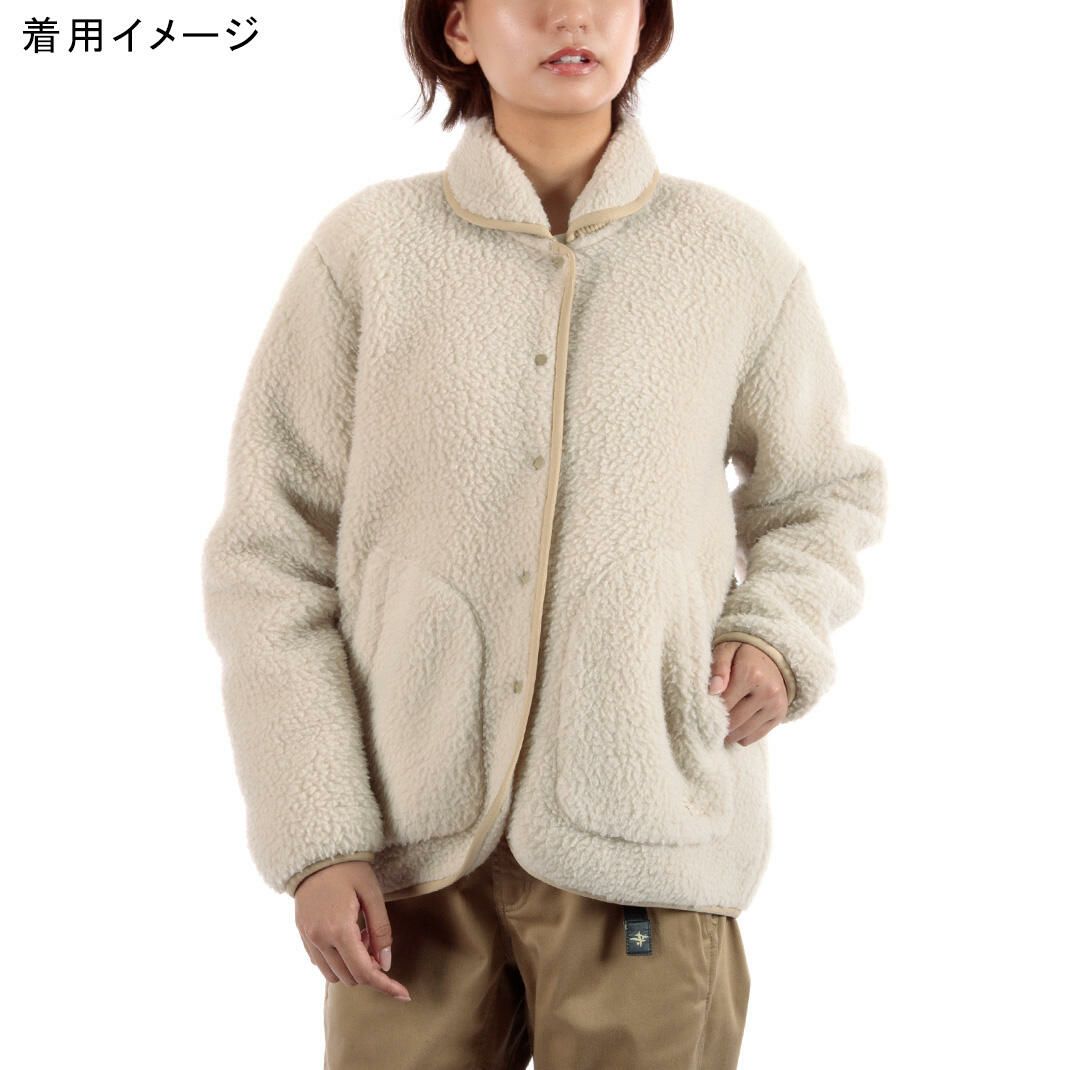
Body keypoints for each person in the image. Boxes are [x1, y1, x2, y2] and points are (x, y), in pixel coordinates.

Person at [201, 1, 887, 1066]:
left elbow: (820, 491)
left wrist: (776, 631)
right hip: (407, 854)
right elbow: (270, 554)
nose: (572, 15)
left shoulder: (731, 256)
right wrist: (319, 836)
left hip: (647, 832)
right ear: (459, 29)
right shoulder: (370, 252)